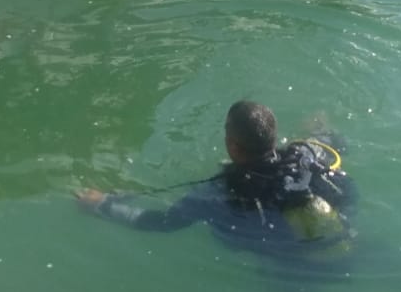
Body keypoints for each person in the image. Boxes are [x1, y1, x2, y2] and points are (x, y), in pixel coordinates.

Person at [75, 100, 355, 260]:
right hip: (344, 237)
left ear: (232, 145)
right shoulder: (305, 154)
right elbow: (334, 141)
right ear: (273, 135)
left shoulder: (218, 192)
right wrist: (321, 128)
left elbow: (162, 223)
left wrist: (103, 205)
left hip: (288, 262)